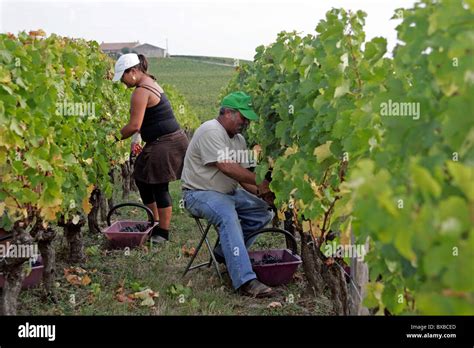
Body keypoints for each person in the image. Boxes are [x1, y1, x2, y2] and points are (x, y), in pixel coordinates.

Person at [181, 91, 274, 298]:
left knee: (263, 212)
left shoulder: (239, 140)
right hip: (198, 194)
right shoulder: (210, 130)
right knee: (227, 214)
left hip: (228, 194)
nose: (246, 123)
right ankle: (245, 280)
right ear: (228, 112)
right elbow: (227, 167)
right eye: (243, 117)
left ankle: (225, 252)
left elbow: (244, 178)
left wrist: (263, 193)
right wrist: (262, 182)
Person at [113, 53, 189, 242]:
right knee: (141, 177)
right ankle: (153, 222)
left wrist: (112, 137)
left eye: (122, 76)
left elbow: (134, 126)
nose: (122, 82)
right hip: (164, 140)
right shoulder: (149, 83)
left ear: (132, 71)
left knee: (158, 185)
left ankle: (162, 232)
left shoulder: (140, 91)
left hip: (166, 142)